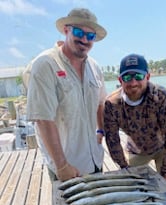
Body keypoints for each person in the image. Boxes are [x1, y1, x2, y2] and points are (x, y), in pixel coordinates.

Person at [25, 8, 107, 181]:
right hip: (67, 168)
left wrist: (100, 130)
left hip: (95, 161)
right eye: (79, 32)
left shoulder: (95, 67)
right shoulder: (45, 65)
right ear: (66, 30)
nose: (84, 39)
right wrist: (62, 166)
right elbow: (43, 119)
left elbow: (101, 103)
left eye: (90, 36)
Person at [103, 53, 166, 187]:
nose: (133, 83)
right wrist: (123, 167)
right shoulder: (111, 104)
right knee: (134, 187)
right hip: (136, 150)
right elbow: (112, 140)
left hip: (165, 148)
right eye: (127, 77)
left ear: (148, 76)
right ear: (120, 80)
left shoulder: (161, 97)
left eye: (138, 76)